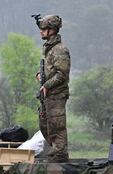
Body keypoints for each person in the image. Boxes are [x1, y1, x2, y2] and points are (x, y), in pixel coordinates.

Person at [35, 14, 70, 163]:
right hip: (48, 95)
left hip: (56, 94)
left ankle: (59, 155)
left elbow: (62, 74)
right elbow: (51, 71)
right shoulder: (50, 49)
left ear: (52, 30)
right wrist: (40, 76)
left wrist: (47, 85)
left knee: (57, 126)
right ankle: (55, 153)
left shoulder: (59, 50)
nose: (41, 32)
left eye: (44, 29)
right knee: (45, 124)